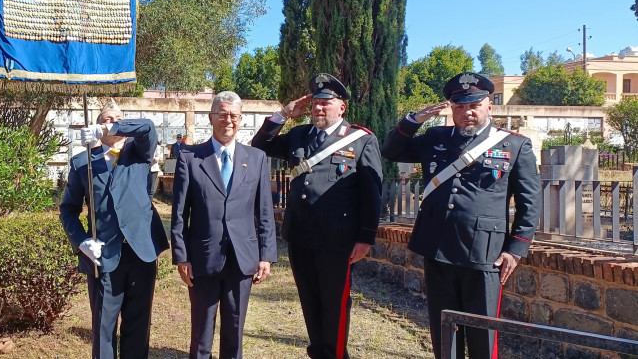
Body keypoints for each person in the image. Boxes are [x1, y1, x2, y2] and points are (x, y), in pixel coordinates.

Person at [381, 72, 542, 359]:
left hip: (484, 253)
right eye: (459, 106)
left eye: (473, 105)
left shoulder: (514, 145)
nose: (466, 112)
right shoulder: (435, 137)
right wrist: (412, 121)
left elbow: (530, 202)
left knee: (482, 333)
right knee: (444, 331)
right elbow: (391, 151)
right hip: (438, 246)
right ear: (451, 109)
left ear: (489, 105)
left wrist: (515, 250)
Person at [252, 73, 382, 359]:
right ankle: (319, 352)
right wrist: (285, 113)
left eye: (326, 103)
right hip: (300, 235)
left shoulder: (361, 140)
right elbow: (259, 148)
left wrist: (365, 237)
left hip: (338, 241)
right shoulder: (300, 135)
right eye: (315, 104)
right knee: (310, 302)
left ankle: (335, 355)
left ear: (341, 108)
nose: (319, 109)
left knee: (334, 304)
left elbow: (372, 194)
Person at [170, 91, 277, 359]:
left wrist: (266, 256)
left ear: (240, 120)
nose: (227, 120)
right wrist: (181, 257)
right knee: (201, 336)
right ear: (211, 117)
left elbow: (264, 210)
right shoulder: (190, 158)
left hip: (243, 259)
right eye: (222, 114)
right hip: (202, 259)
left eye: (233, 115)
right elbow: (180, 214)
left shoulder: (256, 158)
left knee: (234, 333)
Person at [59, 102, 169, 359]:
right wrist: (81, 241)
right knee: (104, 328)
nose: (113, 122)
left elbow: (148, 127)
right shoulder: (82, 162)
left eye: (119, 118)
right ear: (97, 123)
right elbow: (68, 210)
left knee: (138, 325)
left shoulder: (140, 153)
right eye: (107, 119)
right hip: (103, 255)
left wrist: (109, 127)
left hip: (141, 251)